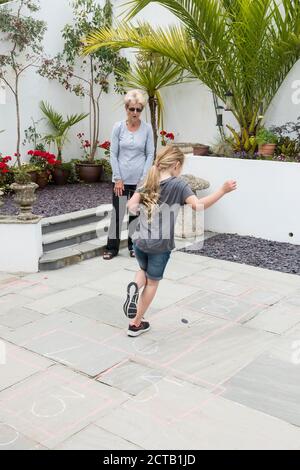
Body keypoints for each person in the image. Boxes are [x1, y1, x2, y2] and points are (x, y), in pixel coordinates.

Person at [123, 145, 237, 336]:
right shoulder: (179, 184)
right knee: (152, 282)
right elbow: (198, 206)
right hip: (160, 245)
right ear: (176, 165)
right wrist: (222, 191)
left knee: (143, 271)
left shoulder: (148, 179)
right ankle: (135, 324)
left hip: (140, 240)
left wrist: (143, 209)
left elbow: (131, 206)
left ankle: (134, 286)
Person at [103, 89, 155, 260]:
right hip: (120, 181)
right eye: (131, 109)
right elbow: (113, 153)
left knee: (135, 213)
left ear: (141, 110)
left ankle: (134, 247)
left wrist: (143, 179)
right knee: (117, 213)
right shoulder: (118, 127)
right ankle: (112, 248)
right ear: (126, 109)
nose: (135, 113)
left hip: (139, 181)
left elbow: (150, 154)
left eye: (138, 109)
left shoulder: (147, 129)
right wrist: (117, 178)